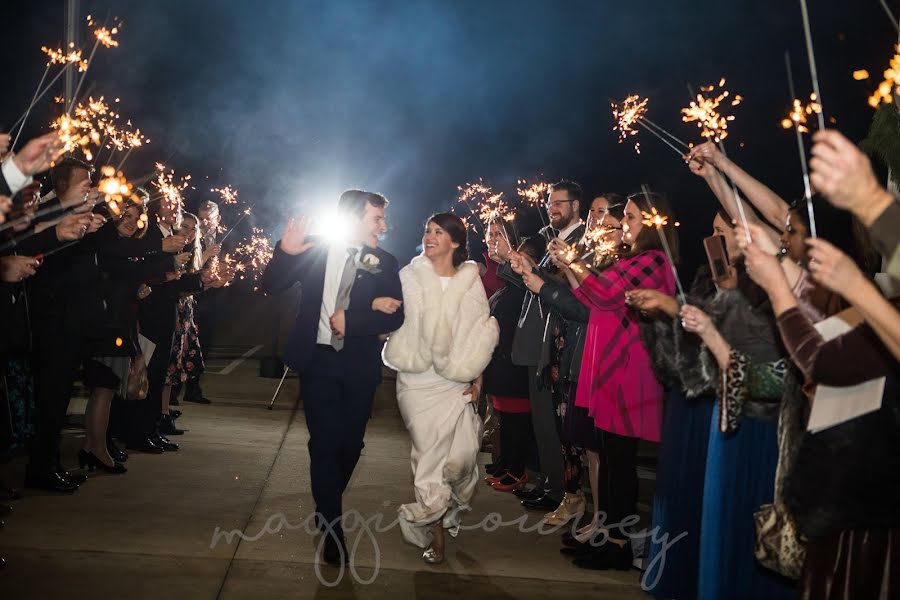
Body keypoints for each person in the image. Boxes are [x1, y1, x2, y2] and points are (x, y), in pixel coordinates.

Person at [261, 189, 404, 566]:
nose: (384, 226)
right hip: (318, 362)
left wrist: (356, 319)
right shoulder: (313, 250)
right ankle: (332, 525)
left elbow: (395, 315)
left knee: (351, 445)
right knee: (323, 443)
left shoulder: (385, 261)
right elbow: (270, 286)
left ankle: (327, 501)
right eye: (377, 218)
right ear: (354, 217)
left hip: (359, 364)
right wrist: (285, 253)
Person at [383, 212, 498, 564]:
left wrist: (478, 378)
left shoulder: (470, 281)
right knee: (431, 459)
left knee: (461, 459)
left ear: (457, 242)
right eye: (427, 230)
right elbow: (390, 318)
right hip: (417, 383)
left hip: (455, 381)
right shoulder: (408, 276)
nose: (430, 236)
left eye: (439, 232)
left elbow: (479, 332)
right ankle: (435, 531)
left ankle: (448, 509)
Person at [499, 179, 587, 514]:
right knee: (545, 422)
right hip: (544, 342)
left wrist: (537, 274)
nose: (552, 208)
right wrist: (522, 268)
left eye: (559, 203)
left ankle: (565, 492)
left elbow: (568, 292)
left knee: (560, 426)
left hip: (564, 342)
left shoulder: (581, 243)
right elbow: (538, 287)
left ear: (575, 206)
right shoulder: (553, 243)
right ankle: (553, 485)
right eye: (550, 203)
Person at [482, 233, 544, 493]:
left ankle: (516, 470)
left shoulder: (524, 287)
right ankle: (506, 464)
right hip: (502, 358)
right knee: (506, 418)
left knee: (517, 421)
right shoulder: (510, 287)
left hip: (514, 361)